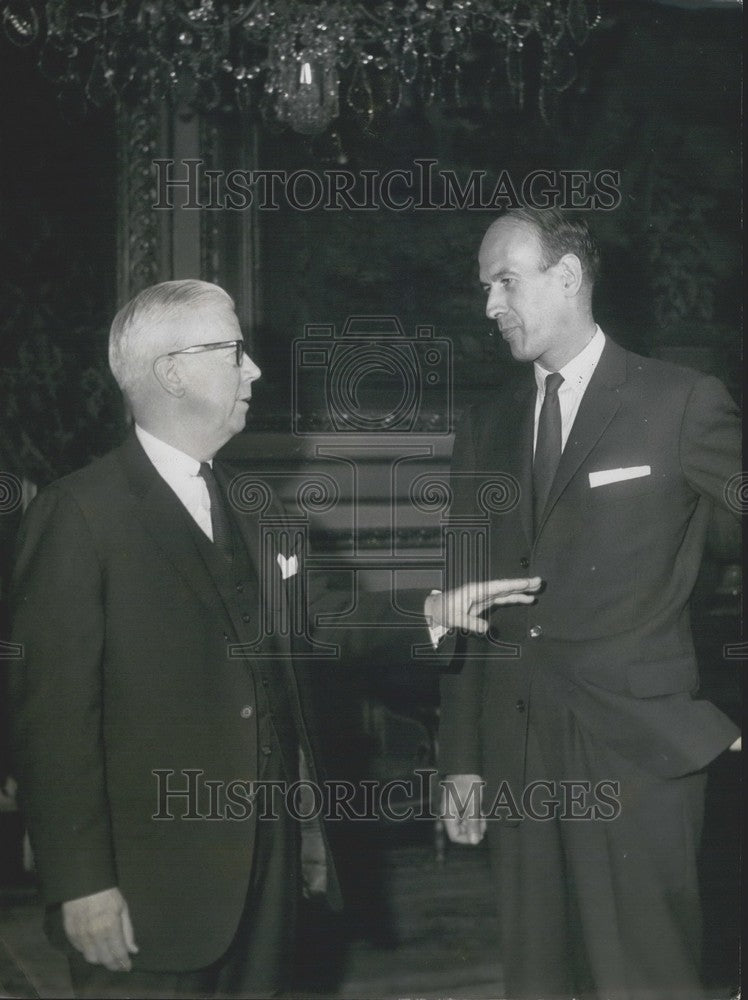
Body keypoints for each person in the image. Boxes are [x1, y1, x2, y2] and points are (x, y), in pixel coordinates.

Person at [8, 278, 540, 999]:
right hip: (145, 896)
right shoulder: (79, 515)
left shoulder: (254, 508)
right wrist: (81, 884)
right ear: (172, 371)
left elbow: (323, 621)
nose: (254, 370)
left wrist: (436, 609)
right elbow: (52, 722)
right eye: (234, 352)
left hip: (270, 877)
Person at [437, 208, 741, 999]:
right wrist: (463, 760)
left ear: (568, 278)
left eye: (506, 281)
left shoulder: (680, 402)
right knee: (540, 979)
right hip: (519, 755)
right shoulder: (486, 428)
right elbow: (465, 607)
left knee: (647, 978)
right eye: (484, 288)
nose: (490, 305)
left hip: (640, 754)